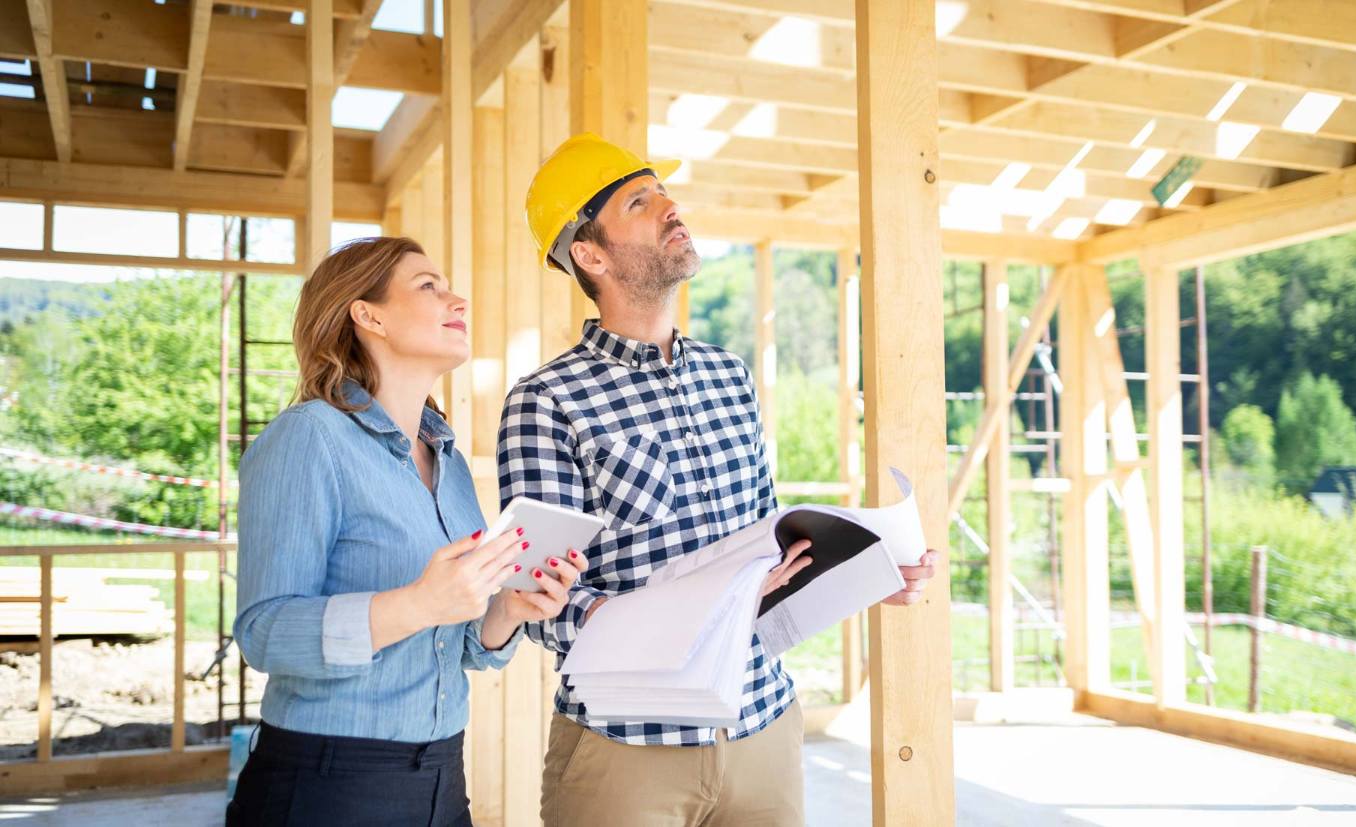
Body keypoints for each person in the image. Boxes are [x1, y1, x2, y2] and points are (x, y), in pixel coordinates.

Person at [497, 134, 939, 825]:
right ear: (591, 254)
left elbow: (767, 553)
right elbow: (544, 606)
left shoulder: (729, 376)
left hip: (762, 725)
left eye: (666, 193)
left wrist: (869, 567)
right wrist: (704, 609)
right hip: (627, 754)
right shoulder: (547, 399)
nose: (671, 207)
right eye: (640, 201)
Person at [229, 236, 587, 826]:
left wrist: (510, 611)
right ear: (368, 316)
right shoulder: (308, 437)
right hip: (326, 784)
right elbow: (263, 633)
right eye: (429, 286)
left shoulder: (446, 459)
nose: (458, 299)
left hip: (443, 777)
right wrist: (420, 603)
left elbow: (465, 646)